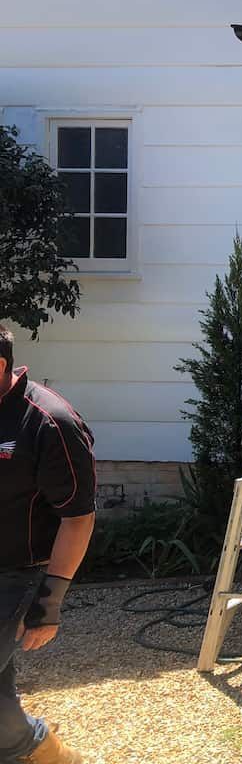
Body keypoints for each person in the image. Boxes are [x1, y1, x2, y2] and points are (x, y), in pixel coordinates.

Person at [0, 326, 95, 764]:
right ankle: (47, 752)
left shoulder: (50, 422)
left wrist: (49, 603)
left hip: (19, 574)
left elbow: (77, 517)